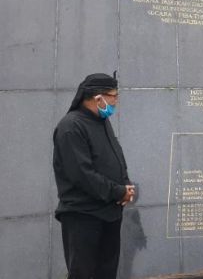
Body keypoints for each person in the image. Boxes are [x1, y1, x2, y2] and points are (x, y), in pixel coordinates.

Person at [53, 73, 135, 279]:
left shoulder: (102, 121)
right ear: (98, 98)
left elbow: (117, 155)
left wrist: (125, 184)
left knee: (106, 272)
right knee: (83, 273)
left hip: (110, 212)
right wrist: (118, 192)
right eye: (113, 96)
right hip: (83, 215)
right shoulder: (71, 127)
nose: (116, 101)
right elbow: (81, 174)